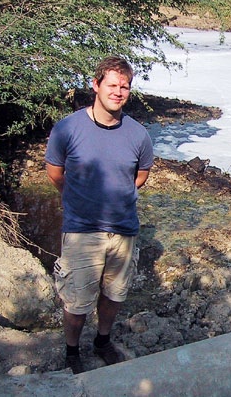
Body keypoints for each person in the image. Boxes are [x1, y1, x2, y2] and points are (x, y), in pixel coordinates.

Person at [45, 56, 154, 374]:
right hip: (82, 230)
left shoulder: (138, 135)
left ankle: (102, 340)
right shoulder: (68, 128)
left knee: (114, 294)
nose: (118, 92)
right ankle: (72, 350)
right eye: (112, 85)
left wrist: (116, 196)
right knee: (77, 301)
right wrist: (81, 199)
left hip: (123, 230)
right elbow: (55, 173)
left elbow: (141, 175)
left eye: (125, 86)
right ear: (96, 85)